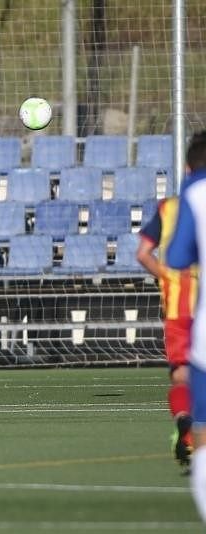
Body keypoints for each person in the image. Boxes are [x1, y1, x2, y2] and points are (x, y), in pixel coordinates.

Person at [137, 194, 198, 470]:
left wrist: (167, 277)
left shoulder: (168, 207)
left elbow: (142, 254)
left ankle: (184, 424)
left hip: (177, 309)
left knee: (182, 376)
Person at [166, 130, 206, 520]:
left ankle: (185, 428)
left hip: (196, 324)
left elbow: (175, 258)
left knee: (201, 428)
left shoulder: (189, 197)